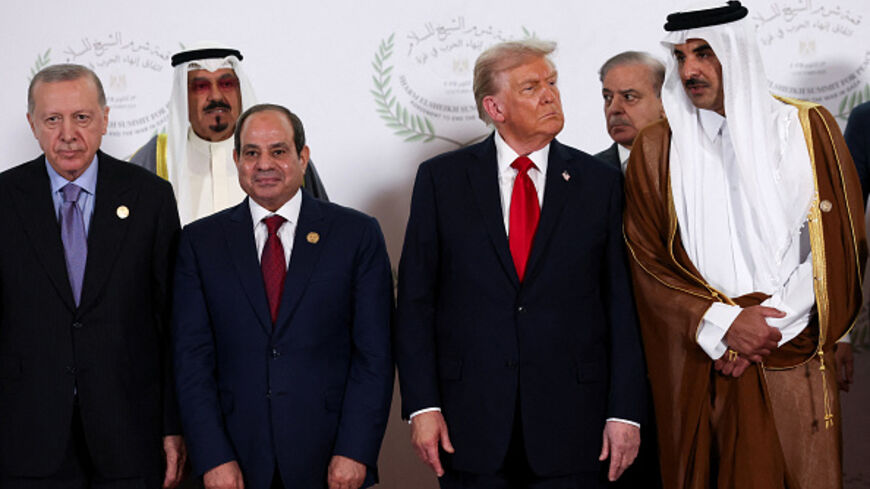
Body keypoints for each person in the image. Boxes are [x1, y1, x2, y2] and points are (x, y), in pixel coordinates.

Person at [622, 2, 866, 488]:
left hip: (790, 351)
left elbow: (832, 242)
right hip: (705, 360)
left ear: (737, 55)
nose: (690, 70)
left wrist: (763, 325)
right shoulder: (657, 148)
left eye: (704, 53)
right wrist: (724, 324)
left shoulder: (806, 128)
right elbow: (646, 260)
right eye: (680, 57)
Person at [395, 39, 647, 488]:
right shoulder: (441, 181)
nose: (550, 94)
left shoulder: (600, 184)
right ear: (495, 107)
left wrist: (625, 410)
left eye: (551, 82)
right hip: (469, 427)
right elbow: (416, 304)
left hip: (577, 428)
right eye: (532, 87)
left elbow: (622, 307)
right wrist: (423, 406)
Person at [172, 103, 393, 489]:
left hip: (330, 460)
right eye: (252, 153)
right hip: (234, 462)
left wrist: (356, 450)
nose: (264, 164)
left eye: (278, 151)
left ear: (302, 157)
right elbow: (191, 360)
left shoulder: (356, 235)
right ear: (236, 159)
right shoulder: (200, 242)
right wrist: (212, 457)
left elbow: (374, 355)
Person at [0, 64, 184, 488]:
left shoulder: (150, 197)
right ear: (32, 124)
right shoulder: (5, 200)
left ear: (104, 119)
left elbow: (173, 322)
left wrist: (174, 425)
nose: (67, 133)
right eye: (52, 119)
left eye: (81, 117)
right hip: (26, 441)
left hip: (130, 437)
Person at [130, 42, 328, 224]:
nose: (216, 96)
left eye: (226, 84)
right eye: (201, 87)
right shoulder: (156, 159)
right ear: (183, 96)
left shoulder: (284, 157)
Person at [595, 51, 665, 172]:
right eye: (607, 97)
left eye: (629, 97)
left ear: (664, 104)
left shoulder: (693, 165)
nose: (614, 109)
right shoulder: (587, 174)